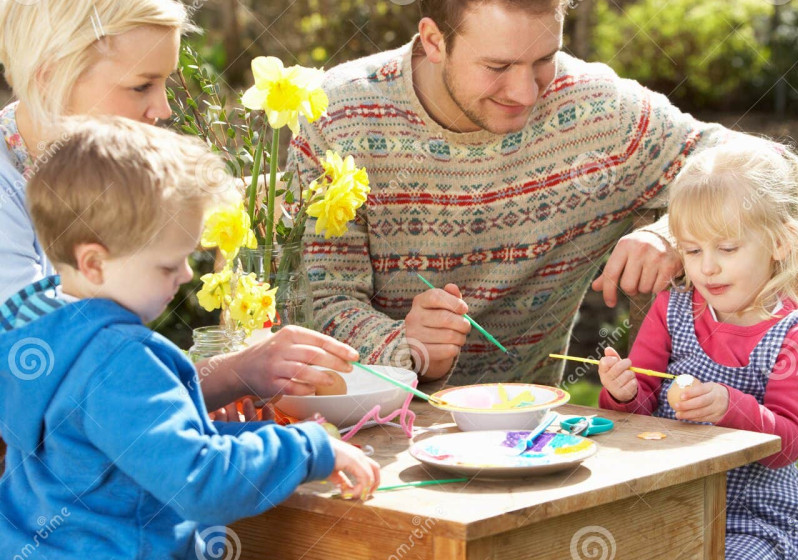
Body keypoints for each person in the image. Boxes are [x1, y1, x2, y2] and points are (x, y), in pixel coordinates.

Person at [289, 0, 745, 387]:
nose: (526, 93)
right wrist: (404, 347)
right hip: (363, 431)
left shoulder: (598, 112)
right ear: (433, 41)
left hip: (530, 438)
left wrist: (676, 232)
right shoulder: (337, 115)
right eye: (498, 67)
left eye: (545, 58)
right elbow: (319, 300)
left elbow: (763, 164)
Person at [0, 117, 380, 559]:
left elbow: (141, 449)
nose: (184, 275)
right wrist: (307, 449)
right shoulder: (120, 361)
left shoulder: (40, 337)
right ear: (94, 264)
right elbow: (198, 482)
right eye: (168, 265)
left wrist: (264, 438)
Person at [0, 0, 354, 418]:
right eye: (141, 86)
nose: (164, 109)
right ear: (49, 76)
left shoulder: (87, 175)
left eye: (165, 83)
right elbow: (62, 387)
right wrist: (234, 373)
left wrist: (202, 388)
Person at [596, 138, 798, 559]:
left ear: (780, 242)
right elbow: (638, 413)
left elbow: (789, 444)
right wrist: (623, 394)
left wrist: (729, 407)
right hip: (668, 501)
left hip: (753, 513)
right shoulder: (672, 310)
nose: (707, 266)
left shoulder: (794, 334)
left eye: (727, 248)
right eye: (692, 250)